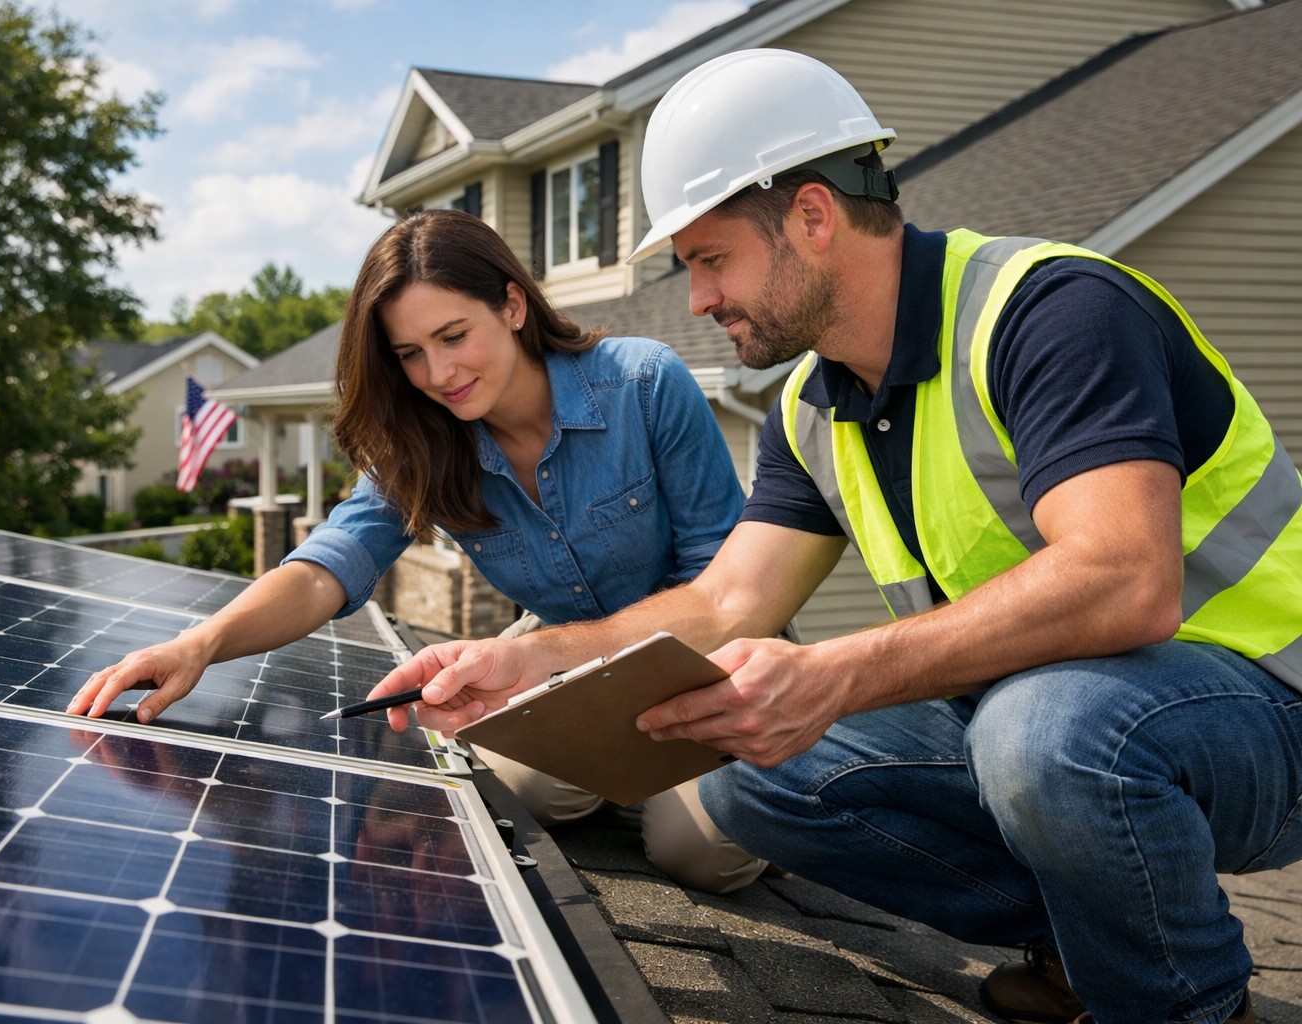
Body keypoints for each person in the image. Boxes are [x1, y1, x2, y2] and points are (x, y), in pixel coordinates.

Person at [367, 49, 1302, 1024]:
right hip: (1040, 717)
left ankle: (1185, 1005)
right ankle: (1091, 939)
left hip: (1260, 709)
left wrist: (840, 674)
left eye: (710, 258)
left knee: (1044, 734)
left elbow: (1124, 581)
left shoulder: (1052, 314)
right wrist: (530, 662)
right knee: (740, 775)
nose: (697, 300)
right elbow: (727, 602)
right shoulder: (812, 407)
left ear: (813, 217)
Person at [65, 209, 765, 893]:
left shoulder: (645, 385)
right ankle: (620, 767)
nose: (438, 373)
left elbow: (721, 584)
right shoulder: (426, 444)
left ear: (513, 305)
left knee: (696, 855)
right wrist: (202, 644)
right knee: (518, 799)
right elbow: (326, 568)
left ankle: (711, 773)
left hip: (698, 659)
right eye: (410, 355)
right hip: (559, 662)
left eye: (454, 336)